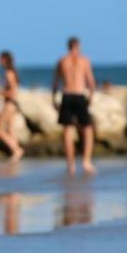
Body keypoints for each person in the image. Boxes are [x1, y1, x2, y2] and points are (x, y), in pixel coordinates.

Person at [53, 37, 97, 176]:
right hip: (79, 95)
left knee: (68, 130)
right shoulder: (84, 60)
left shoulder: (62, 61)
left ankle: (70, 165)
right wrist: (91, 96)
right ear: (78, 46)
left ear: (68, 46)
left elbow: (55, 82)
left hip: (66, 96)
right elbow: (91, 81)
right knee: (88, 129)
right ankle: (86, 161)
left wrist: (53, 98)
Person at [0, 51, 25, 161]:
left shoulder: (8, 73)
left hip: (10, 104)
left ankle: (16, 150)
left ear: (5, 60)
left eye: (0, 59)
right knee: (11, 131)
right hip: (13, 104)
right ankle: (15, 154)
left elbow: (12, 92)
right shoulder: (12, 72)